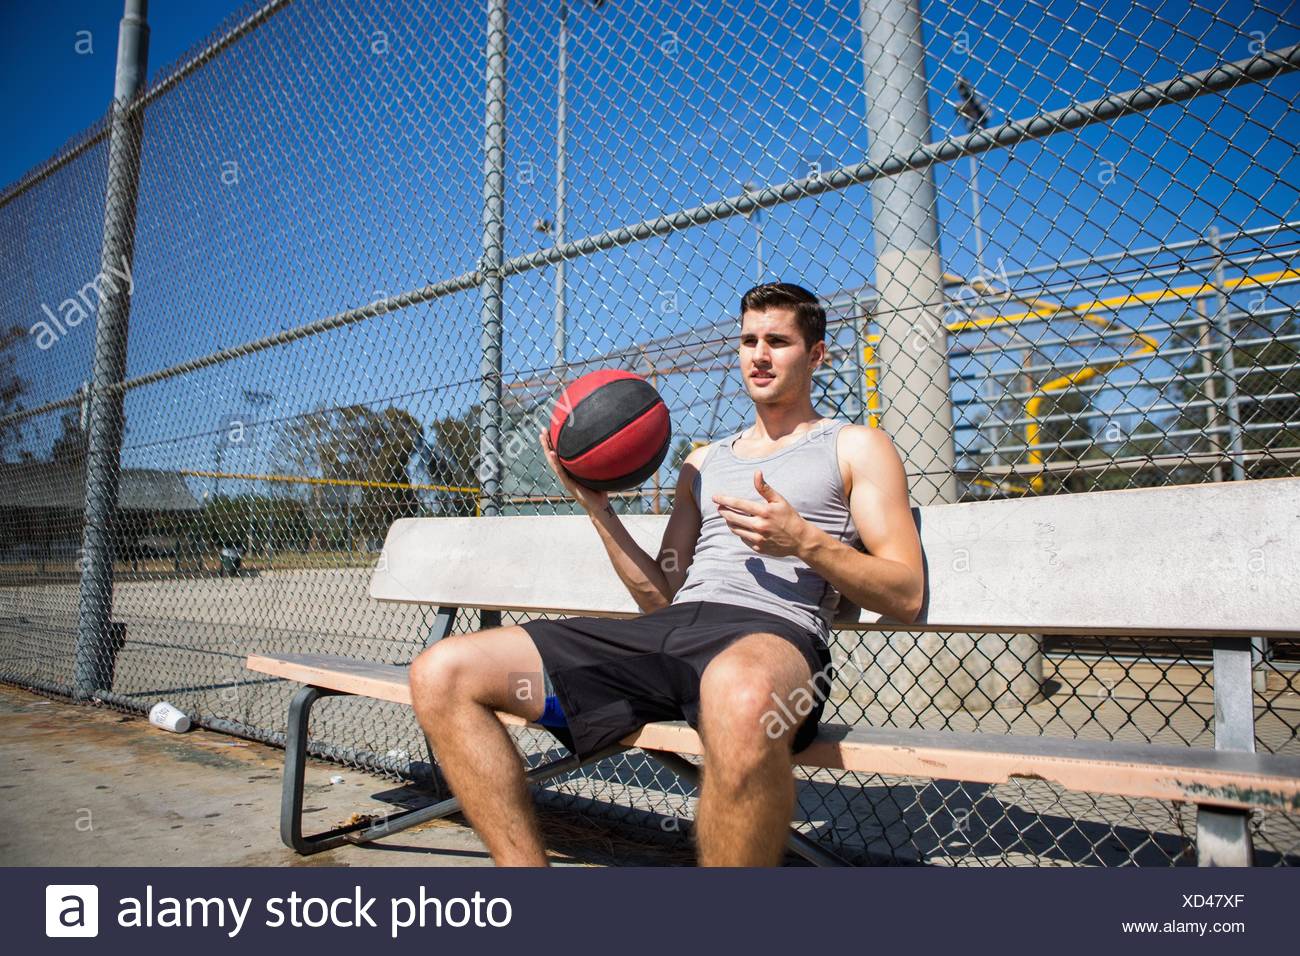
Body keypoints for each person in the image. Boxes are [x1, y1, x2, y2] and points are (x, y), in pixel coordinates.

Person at [409, 281, 924, 866]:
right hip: (671, 634)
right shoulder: (704, 462)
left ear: (817, 353)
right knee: (441, 672)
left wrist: (803, 540)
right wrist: (596, 508)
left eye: (778, 341)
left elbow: (905, 593)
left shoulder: (855, 446)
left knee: (741, 693)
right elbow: (662, 596)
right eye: (748, 340)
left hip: (773, 636)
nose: (758, 355)